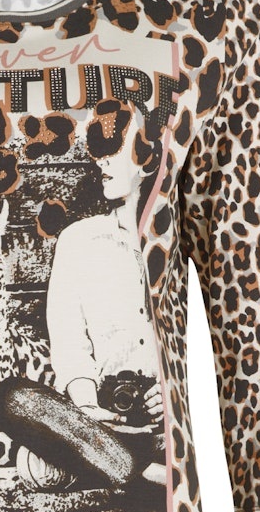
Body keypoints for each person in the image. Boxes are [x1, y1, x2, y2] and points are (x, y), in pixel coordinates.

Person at [15, 119, 166, 491]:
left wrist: (172, 390)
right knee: (13, 399)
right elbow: (69, 341)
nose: (101, 161)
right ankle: (140, 471)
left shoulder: (176, 238)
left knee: (39, 467)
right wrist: (86, 407)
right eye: (99, 152)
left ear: (148, 159)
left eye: (114, 150)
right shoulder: (79, 240)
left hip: (166, 424)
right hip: (98, 422)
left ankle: (116, 466)